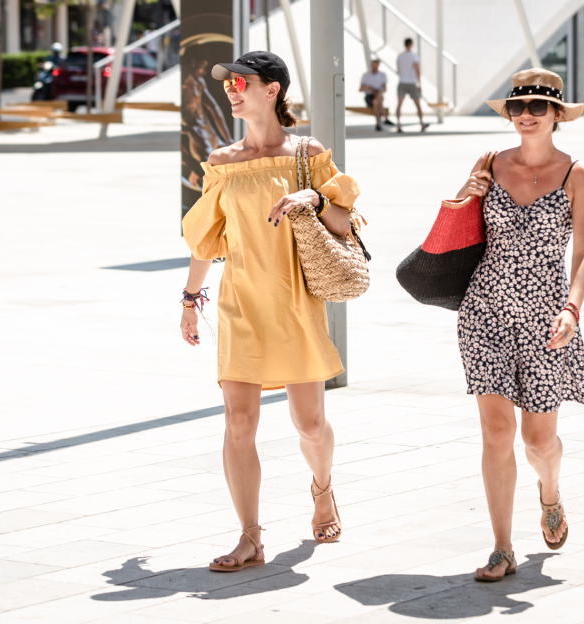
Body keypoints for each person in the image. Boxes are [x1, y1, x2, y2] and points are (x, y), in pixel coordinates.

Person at [180, 51, 360, 572]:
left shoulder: (308, 153)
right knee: (239, 423)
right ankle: (250, 536)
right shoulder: (222, 161)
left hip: (295, 304)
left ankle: (322, 490)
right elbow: (205, 240)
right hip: (240, 304)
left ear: (272, 90)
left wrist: (313, 196)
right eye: (228, 84)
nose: (232, 90)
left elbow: (345, 222)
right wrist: (191, 300)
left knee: (309, 424)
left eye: (242, 82)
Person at [457, 68, 584, 583]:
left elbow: (583, 252)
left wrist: (572, 308)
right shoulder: (491, 163)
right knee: (497, 432)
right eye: (518, 107)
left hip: (546, 317)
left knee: (538, 442)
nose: (525, 116)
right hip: (484, 310)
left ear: (557, 115)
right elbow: (456, 226)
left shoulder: (578, 174)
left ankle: (551, 491)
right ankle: (501, 547)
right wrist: (466, 192)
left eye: (538, 107)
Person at [395, 38, 428, 133]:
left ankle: (398, 125)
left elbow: (398, 69)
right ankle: (422, 123)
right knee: (418, 105)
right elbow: (417, 70)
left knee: (399, 104)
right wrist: (420, 84)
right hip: (411, 82)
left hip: (402, 82)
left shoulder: (400, 56)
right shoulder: (414, 56)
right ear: (411, 44)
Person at [359, 60, 392, 131]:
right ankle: (385, 119)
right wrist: (369, 87)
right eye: (373, 66)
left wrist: (378, 91)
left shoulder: (382, 75)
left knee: (377, 99)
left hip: (378, 95)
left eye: (376, 66)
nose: (374, 68)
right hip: (369, 96)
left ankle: (378, 124)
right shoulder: (366, 75)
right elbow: (360, 89)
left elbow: (385, 89)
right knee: (376, 101)